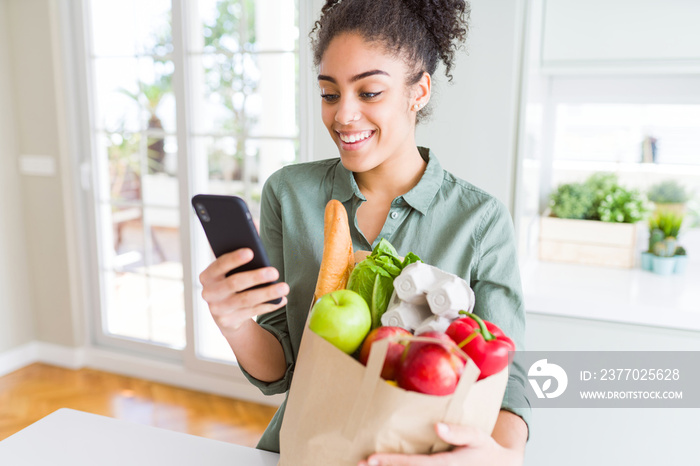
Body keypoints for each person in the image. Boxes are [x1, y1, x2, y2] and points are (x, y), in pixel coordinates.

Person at [198, 0, 531, 464]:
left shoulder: (480, 220)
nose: (343, 116)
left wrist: (502, 456)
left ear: (420, 91)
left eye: (369, 92)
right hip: (302, 448)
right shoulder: (289, 193)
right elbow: (281, 371)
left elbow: (507, 375)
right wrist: (232, 321)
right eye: (330, 94)